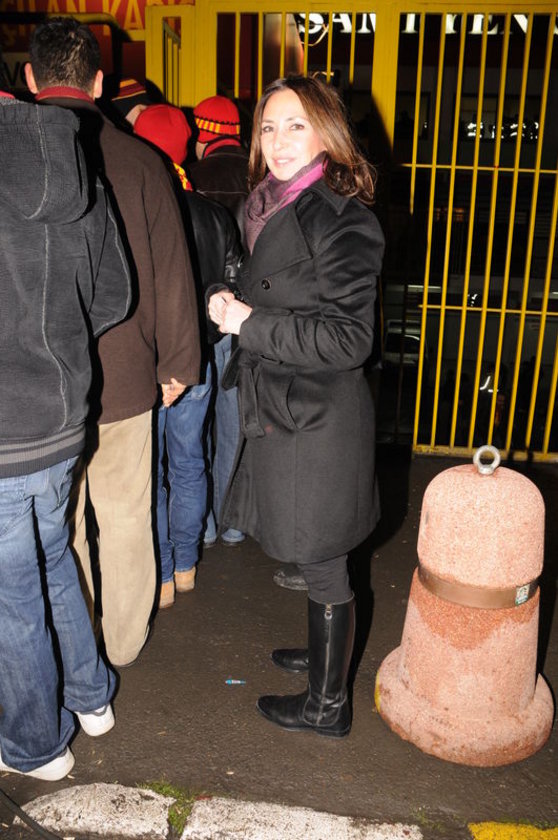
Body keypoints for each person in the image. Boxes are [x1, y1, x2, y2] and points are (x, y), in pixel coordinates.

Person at [208, 75, 385, 737]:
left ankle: (326, 707)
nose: (278, 141)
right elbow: (259, 281)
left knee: (323, 558)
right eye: (268, 127)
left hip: (317, 416)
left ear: (327, 135)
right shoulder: (266, 205)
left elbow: (349, 339)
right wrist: (223, 294)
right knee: (315, 553)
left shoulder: (343, 220)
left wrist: (248, 323)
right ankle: (323, 655)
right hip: (283, 406)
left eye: (296, 126)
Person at [26, 18, 201, 667]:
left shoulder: (15, 160)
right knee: (127, 515)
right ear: (99, 82)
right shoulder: (141, 160)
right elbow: (173, 269)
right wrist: (178, 361)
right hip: (126, 374)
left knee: (61, 521)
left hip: (40, 382)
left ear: (30, 77)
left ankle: (77, 643)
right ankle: (124, 643)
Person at [0, 62, 131, 779]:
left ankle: (36, 747)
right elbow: (113, 295)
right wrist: (57, 344)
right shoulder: (74, 157)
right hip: (61, 417)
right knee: (52, 556)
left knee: (12, 594)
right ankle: (91, 696)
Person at [134, 104, 242, 608]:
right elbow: (232, 282)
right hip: (198, 356)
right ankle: (185, 565)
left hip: (152, 362)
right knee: (189, 460)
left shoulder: (141, 209)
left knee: (152, 470)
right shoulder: (214, 214)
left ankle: (160, 573)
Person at [188, 95, 249, 551]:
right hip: (244, 317)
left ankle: (202, 525)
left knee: (193, 427)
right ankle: (230, 522)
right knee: (232, 424)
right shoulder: (261, 176)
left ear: (203, 133)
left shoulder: (190, 177)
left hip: (193, 317)